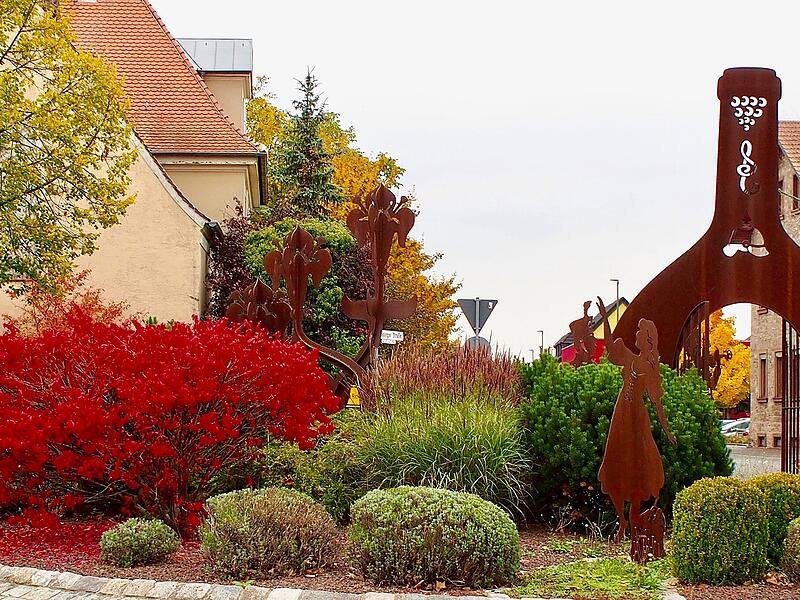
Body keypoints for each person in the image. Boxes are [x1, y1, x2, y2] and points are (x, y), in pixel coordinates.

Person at [596, 297, 676, 547]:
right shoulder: (630, 358)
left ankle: (634, 524)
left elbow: (657, 402)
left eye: (641, 333)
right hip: (622, 415)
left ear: (648, 339)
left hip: (636, 419)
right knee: (617, 462)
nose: (637, 337)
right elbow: (610, 347)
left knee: (638, 468)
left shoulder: (650, 368)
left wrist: (667, 430)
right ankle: (622, 522)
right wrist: (605, 318)